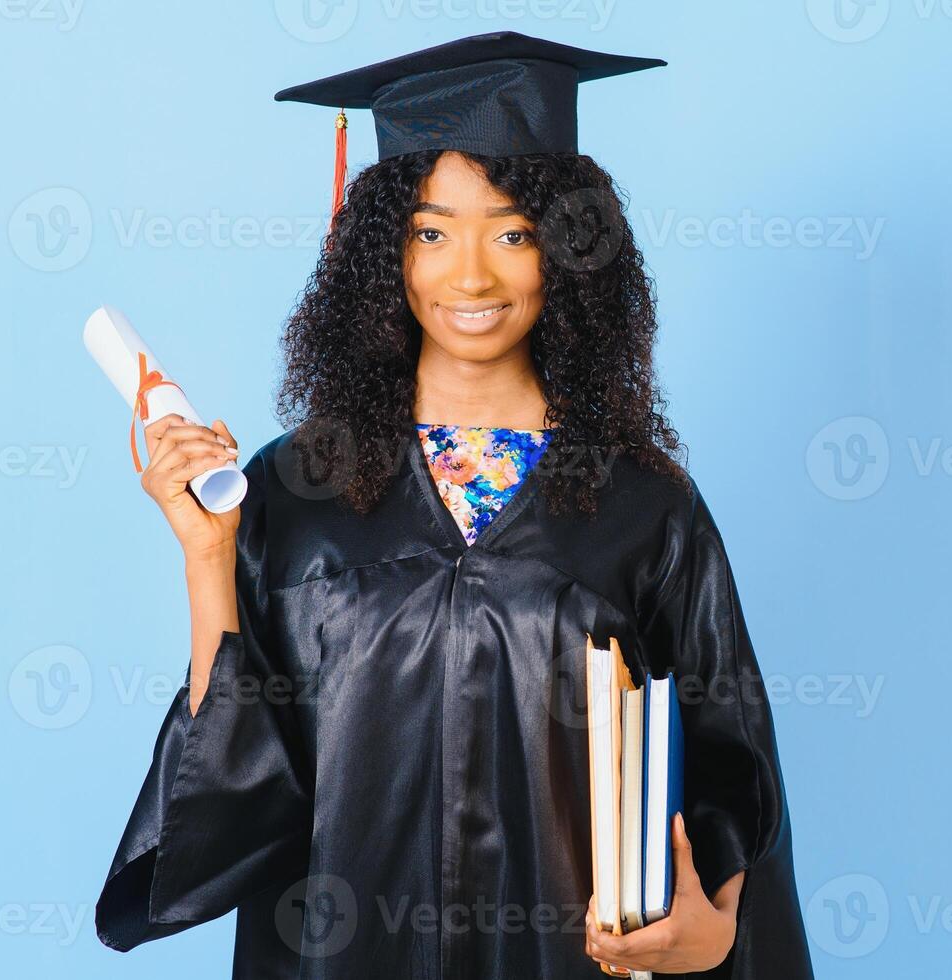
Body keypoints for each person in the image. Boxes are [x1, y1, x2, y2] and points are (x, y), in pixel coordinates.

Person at [94, 32, 815, 979]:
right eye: (430, 232)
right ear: (381, 252)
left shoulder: (646, 505)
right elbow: (237, 797)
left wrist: (714, 925)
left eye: (512, 232)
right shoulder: (293, 489)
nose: (469, 276)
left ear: (567, 250)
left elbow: (730, 770)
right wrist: (206, 558)